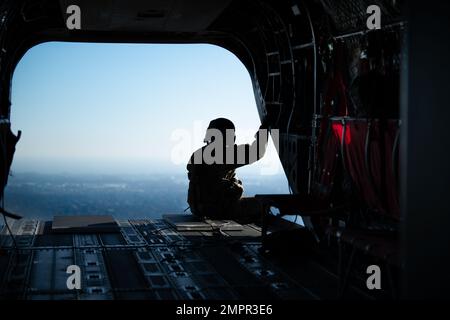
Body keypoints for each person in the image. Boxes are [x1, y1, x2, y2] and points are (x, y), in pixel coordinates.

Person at [186, 117, 270, 222]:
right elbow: (257, 151)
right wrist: (265, 129)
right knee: (261, 206)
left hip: (198, 209)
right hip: (216, 210)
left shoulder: (198, 154)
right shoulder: (223, 154)